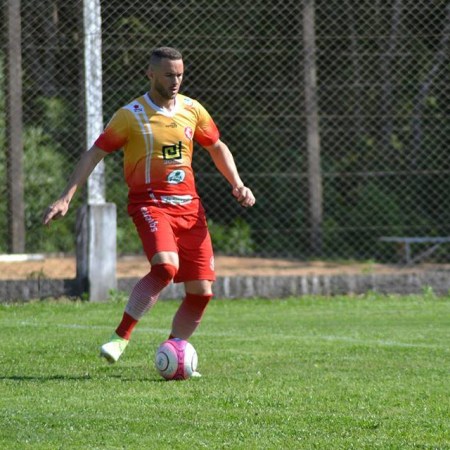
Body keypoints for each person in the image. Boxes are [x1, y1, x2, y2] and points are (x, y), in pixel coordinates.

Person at [42, 46, 255, 373]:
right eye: (169, 75)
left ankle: (174, 353)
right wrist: (66, 197)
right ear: (151, 74)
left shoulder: (192, 109)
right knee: (166, 267)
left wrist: (237, 183)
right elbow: (94, 153)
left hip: (191, 209)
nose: (176, 81)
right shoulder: (131, 115)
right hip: (151, 204)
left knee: (201, 292)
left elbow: (216, 146)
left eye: (180, 74)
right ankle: (121, 337)